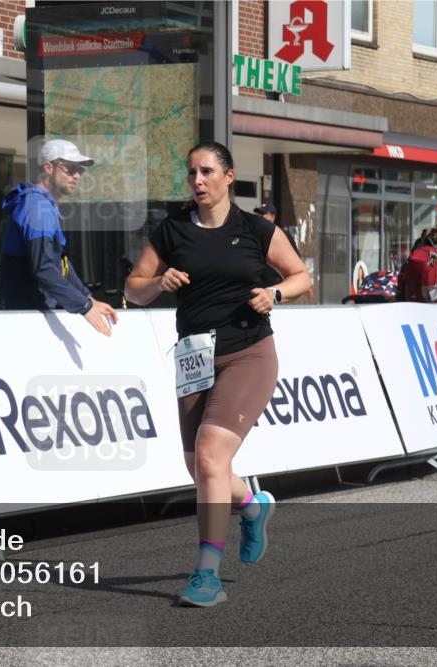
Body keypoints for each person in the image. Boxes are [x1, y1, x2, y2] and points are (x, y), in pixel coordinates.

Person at [125, 141, 310, 606]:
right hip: (193, 357)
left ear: (229, 177)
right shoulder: (171, 232)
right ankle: (251, 507)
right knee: (200, 466)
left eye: (206, 171)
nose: (197, 180)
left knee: (209, 456)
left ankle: (206, 574)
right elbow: (133, 288)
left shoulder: (253, 229)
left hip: (248, 353)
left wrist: (276, 295)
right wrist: (157, 283)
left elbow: (301, 276)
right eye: (191, 173)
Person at [0, 139, 118, 336]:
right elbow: (43, 268)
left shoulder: (45, 205)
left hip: (32, 316)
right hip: (21, 321)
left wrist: (87, 297)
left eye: (80, 170)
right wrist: (84, 306)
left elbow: (61, 265)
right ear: (48, 168)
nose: (77, 175)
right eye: (69, 169)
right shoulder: (36, 206)